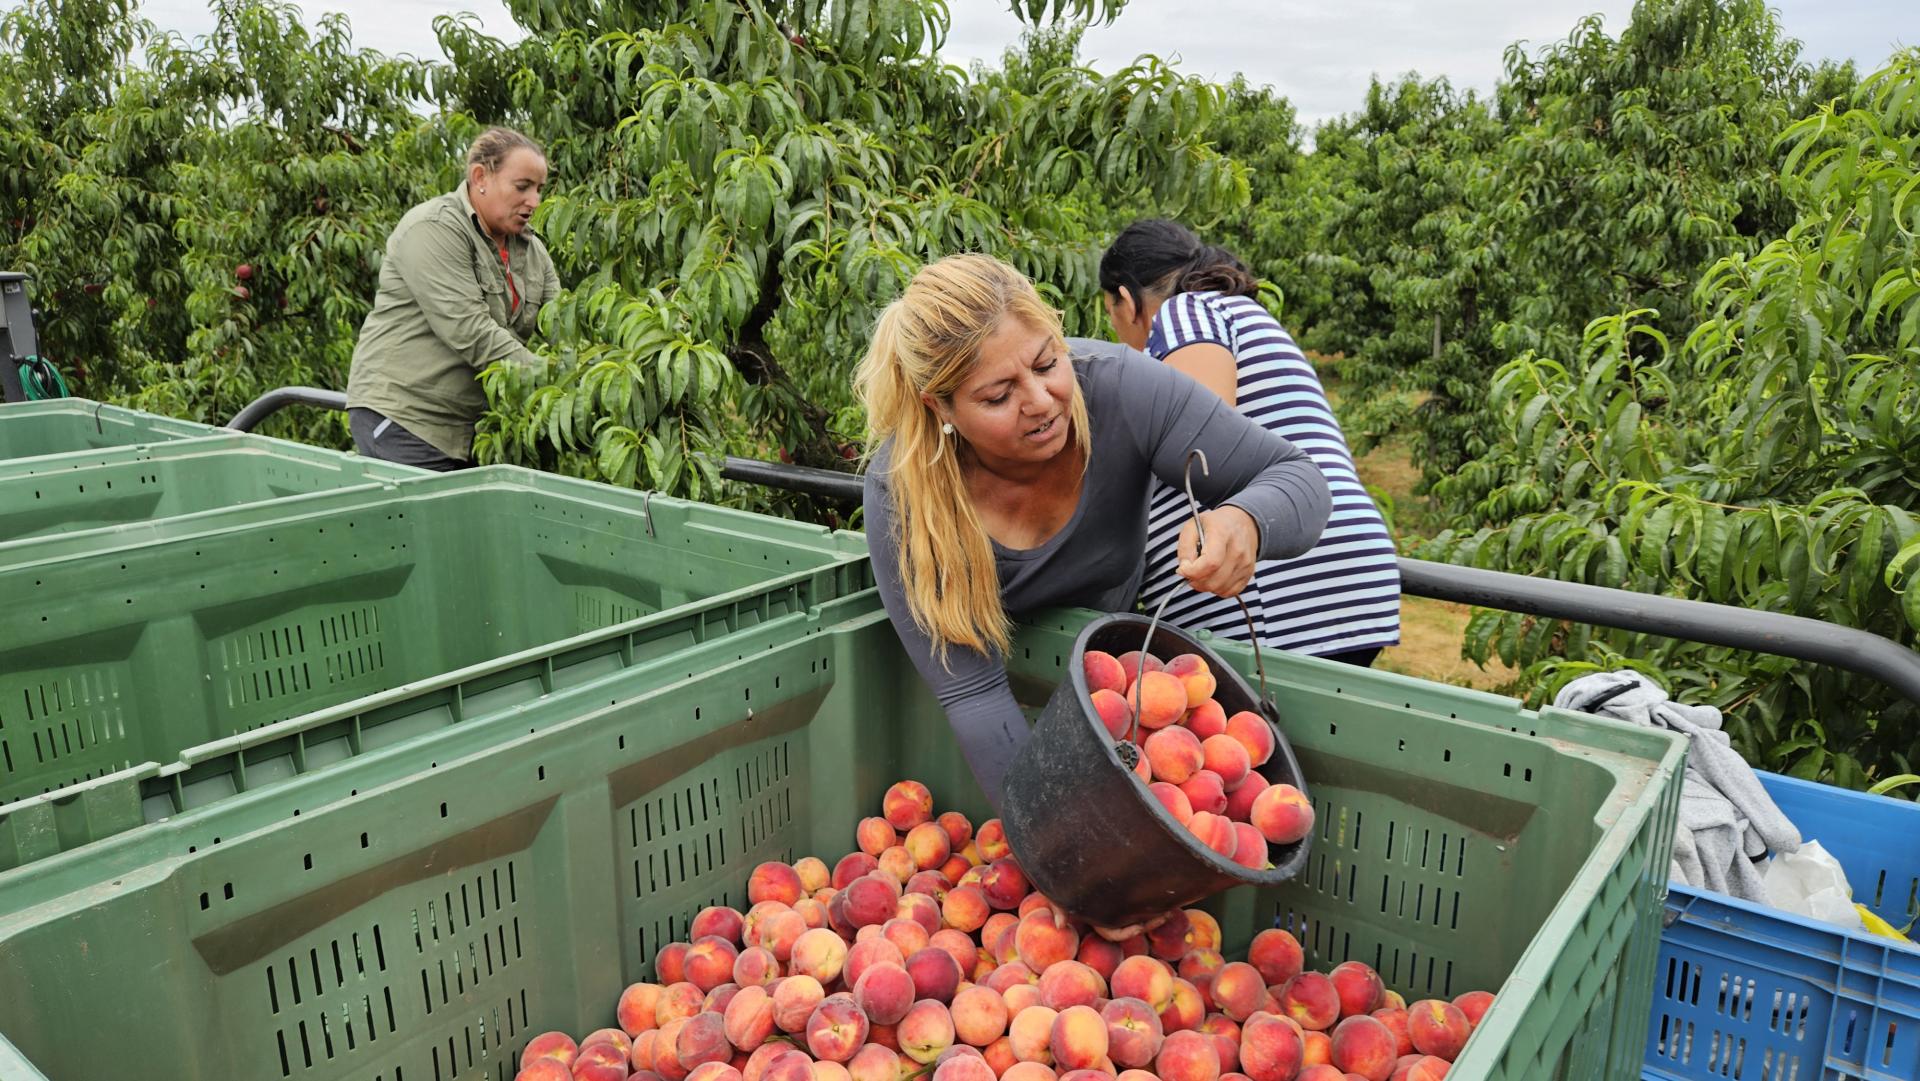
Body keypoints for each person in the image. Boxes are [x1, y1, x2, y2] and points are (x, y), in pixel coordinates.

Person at [858, 253, 1333, 818]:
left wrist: (1245, 520)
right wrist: (1056, 850)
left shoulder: (1119, 392)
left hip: (1112, 699)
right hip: (1005, 722)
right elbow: (973, 691)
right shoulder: (904, 493)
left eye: (1046, 363)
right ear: (942, 408)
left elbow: (1300, 480)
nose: (1039, 401)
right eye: (998, 396)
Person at [1099, 220, 1401, 666]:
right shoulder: (1231, 313)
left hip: (1284, 592)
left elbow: (1199, 447)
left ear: (1126, 301)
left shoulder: (1185, 313)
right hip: (1326, 578)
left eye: (1109, 313)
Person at [346, 127, 561, 470]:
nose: (534, 201)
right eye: (522, 187)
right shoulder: (433, 228)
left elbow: (562, 324)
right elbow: (470, 331)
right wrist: (558, 381)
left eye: (539, 189)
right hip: (408, 418)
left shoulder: (532, 251)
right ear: (480, 177)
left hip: (472, 429)